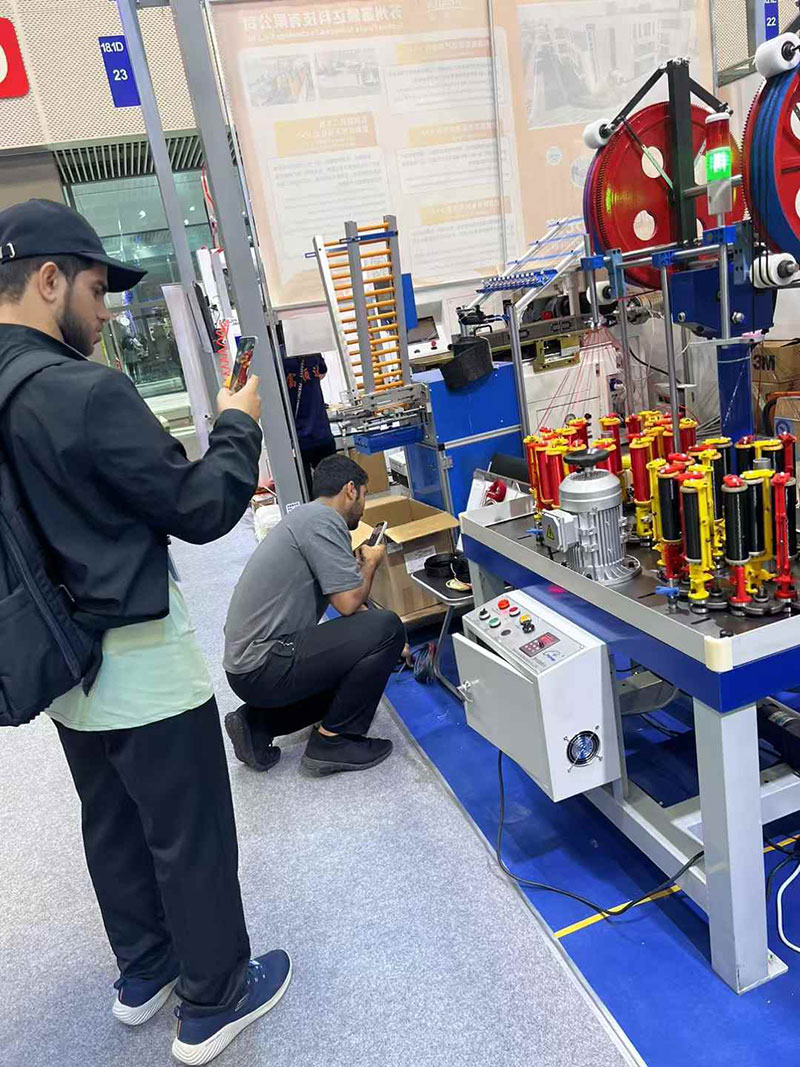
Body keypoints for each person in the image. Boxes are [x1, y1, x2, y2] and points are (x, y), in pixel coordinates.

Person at [0, 199, 291, 1066]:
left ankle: (145, 968)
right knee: (187, 829)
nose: (106, 311)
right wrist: (238, 421)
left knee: (113, 822)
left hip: (53, 657)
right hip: (136, 654)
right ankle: (214, 998)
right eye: (96, 290)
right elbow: (199, 507)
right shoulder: (85, 392)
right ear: (47, 280)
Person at [223, 453, 405, 775]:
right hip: (264, 663)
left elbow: (352, 609)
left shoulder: (307, 518)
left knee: (375, 643)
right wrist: (372, 563)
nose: (363, 507)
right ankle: (333, 743)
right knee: (389, 626)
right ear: (351, 489)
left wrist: (386, 644)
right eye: (364, 495)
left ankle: (257, 725)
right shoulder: (325, 521)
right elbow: (348, 604)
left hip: (248, 666)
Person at [282, 350, 337, 492]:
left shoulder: (275, 357)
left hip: (295, 440)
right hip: (321, 432)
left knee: (303, 494)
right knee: (333, 491)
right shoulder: (310, 350)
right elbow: (322, 372)